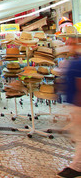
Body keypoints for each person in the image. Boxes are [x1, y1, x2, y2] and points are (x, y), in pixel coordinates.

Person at [58, 38, 81, 178]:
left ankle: (76, 167)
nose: (68, 46)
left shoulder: (77, 63)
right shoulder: (73, 62)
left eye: (71, 43)